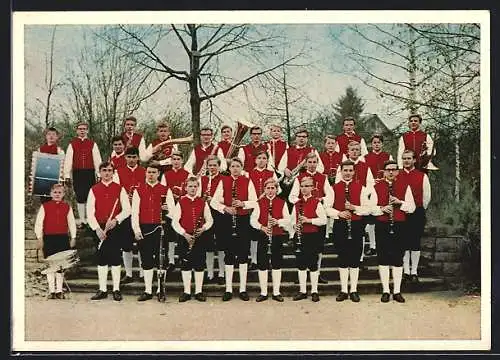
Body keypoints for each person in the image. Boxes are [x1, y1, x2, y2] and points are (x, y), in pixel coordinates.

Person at [210, 157, 258, 302]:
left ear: (242, 167)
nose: (235, 169)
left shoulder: (247, 181)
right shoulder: (223, 181)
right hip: (227, 220)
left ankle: (243, 289)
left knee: (243, 255)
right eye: (233, 166)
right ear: (229, 168)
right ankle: (229, 289)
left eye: (238, 166)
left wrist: (243, 203)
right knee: (229, 255)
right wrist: (225, 208)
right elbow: (213, 202)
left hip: (243, 221)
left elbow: (255, 202)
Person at [371, 160, 415, 303]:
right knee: (383, 258)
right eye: (388, 169)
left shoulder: (404, 186)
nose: (391, 172)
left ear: (397, 171)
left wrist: (400, 203)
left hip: (399, 225)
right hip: (382, 225)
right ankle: (385, 290)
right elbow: (371, 208)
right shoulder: (376, 186)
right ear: (384, 172)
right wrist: (382, 209)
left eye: (394, 169)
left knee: (397, 258)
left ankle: (397, 291)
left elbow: (412, 207)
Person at [327, 160, 371, 303]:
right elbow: (327, 208)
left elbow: (368, 209)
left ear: (354, 172)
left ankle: (353, 290)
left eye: (350, 170)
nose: (348, 173)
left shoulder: (361, 188)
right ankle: (343, 290)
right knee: (342, 257)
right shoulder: (333, 188)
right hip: (340, 225)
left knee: (354, 258)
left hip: (356, 225)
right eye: (345, 170)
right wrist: (339, 213)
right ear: (341, 171)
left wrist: (354, 207)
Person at [86, 162, 131, 301]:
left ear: (113, 172)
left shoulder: (120, 189)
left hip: (115, 228)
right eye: (104, 170)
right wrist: (97, 229)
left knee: (116, 259)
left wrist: (116, 219)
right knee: (102, 259)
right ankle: (102, 289)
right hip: (100, 227)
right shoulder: (93, 189)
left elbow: (127, 209)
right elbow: (89, 212)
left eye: (110, 170)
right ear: (99, 172)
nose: (107, 173)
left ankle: (116, 289)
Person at [131, 163, 175, 302]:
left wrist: (167, 209)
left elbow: (174, 213)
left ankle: (160, 289)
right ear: (146, 173)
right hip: (145, 228)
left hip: (161, 227)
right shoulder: (139, 190)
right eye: (149, 172)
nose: (151, 175)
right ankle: (148, 290)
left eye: (154, 172)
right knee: (146, 259)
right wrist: (136, 230)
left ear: (158, 174)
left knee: (162, 259)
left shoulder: (165, 189)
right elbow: (135, 212)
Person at [288, 152, 333, 284]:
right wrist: (304, 201)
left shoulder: (323, 177)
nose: (312, 165)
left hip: (318, 217)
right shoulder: (299, 178)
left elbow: (330, 196)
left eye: (314, 162)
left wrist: (320, 200)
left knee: (318, 249)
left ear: (317, 163)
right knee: (302, 248)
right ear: (305, 163)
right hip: (303, 216)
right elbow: (292, 197)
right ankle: (302, 273)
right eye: (310, 162)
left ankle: (316, 273)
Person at [171, 176, 214, 302]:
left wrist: (204, 228)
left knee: (200, 264)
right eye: (190, 186)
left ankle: (199, 291)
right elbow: (175, 222)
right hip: (185, 238)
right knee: (186, 264)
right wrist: (184, 234)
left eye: (195, 186)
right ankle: (186, 291)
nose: (193, 188)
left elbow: (210, 219)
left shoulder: (202, 202)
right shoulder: (181, 202)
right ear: (185, 188)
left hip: (199, 237)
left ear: (198, 188)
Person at [250, 178, 291, 302]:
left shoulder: (282, 202)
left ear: (276, 190)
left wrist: (278, 222)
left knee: (277, 262)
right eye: (268, 188)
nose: (270, 190)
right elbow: (253, 220)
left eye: (273, 188)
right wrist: (261, 227)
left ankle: (276, 292)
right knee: (262, 263)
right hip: (264, 235)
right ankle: (263, 292)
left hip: (277, 235)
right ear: (264, 189)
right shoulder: (259, 202)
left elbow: (288, 219)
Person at [34, 184, 76, 299]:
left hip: (62, 238)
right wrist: (40, 238)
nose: (57, 194)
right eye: (55, 192)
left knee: (61, 265)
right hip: (49, 238)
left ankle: (59, 290)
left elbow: (71, 223)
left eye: (59, 192)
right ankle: (51, 291)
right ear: (51, 194)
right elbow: (39, 224)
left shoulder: (67, 207)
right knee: (51, 264)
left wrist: (73, 237)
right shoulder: (45, 206)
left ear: (63, 194)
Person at [290, 176, 327, 302]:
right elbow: (291, 221)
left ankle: (315, 291)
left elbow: (323, 220)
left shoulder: (316, 202)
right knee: (301, 264)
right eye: (302, 186)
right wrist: (294, 226)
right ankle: (302, 291)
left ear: (312, 187)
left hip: (312, 236)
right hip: (300, 236)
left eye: (307, 186)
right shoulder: (296, 204)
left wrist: (308, 220)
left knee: (313, 264)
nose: (304, 189)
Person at [112, 147, 146, 284]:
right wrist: (126, 198)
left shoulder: (144, 171)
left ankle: (144, 272)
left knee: (142, 243)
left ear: (138, 158)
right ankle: (129, 273)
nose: (131, 160)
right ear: (125, 158)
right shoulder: (118, 172)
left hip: (141, 211)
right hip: (125, 212)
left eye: (134, 157)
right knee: (126, 244)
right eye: (129, 157)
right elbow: (116, 189)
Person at [397, 150, 431, 284]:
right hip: (402, 213)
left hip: (417, 212)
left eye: (409, 158)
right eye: (404, 158)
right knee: (403, 242)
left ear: (414, 160)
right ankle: (406, 271)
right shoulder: (398, 175)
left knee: (415, 242)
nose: (406, 161)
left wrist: (419, 208)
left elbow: (427, 196)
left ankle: (414, 272)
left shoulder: (422, 176)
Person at [64, 122, 102, 228]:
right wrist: (67, 175)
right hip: (78, 173)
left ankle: (90, 219)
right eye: (80, 129)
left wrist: (99, 174)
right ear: (76, 131)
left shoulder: (92, 144)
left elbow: (97, 160)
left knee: (90, 196)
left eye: (84, 129)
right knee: (80, 195)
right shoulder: (72, 144)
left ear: (87, 130)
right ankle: (82, 219)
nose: (82, 131)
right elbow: (68, 160)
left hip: (89, 172)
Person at [248, 150, 280, 270]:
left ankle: (268, 258)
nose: (261, 160)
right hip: (254, 206)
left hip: (268, 205)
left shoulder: (271, 173)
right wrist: (256, 200)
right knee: (254, 234)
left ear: (267, 160)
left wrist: (267, 196)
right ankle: (254, 260)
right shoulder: (249, 173)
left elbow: (279, 190)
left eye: (264, 158)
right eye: (259, 158)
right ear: (255, 160)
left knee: (266, 234)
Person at [161, 151, 193, 269]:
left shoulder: (188, 174)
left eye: (178, 159)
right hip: (170, 209)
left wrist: (181, 194)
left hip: (184, 208)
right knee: (170, 235)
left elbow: (191, 190)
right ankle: (170, 261)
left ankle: (182, 257)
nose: (176, 161)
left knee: (182, 234)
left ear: (182, 160)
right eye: (173, 159)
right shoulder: (166, 175)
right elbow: (163, 191)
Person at [363, 135, 393, 257]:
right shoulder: (365, 158)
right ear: (371, 144)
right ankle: (373, 246)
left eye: (379, 142)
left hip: (385, 187)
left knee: (385, 217)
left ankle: (385, 245)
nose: (376, 144)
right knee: (371, 219)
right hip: (371, 188)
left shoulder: (387, 156)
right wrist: (371, 182)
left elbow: (392, 170)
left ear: (382, 144)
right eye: (374, 142)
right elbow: (364, 173)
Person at [198, 155, 227, 285]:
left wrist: (214, 200)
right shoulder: (203, 179)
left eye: (215, 165)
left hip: (220, 215)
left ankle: (221, 273)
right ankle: (209, 273)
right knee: (208, 244)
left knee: (221, 244)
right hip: (206, 215)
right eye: (210, 165)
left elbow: (226, 198)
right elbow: (197, 196)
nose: (212, 168)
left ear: (219, 166)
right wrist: (204, 199)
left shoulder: (224, 179)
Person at [37, 127, 65, 203]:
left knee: (56, 202)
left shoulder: (60, 151)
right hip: (43, 182)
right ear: (46, 136)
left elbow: (62, 167)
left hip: (55, 182)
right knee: (44, 202)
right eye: (49, 134)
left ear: (57, 137)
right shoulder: (40, 150)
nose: (51, 136)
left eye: (53, 134)